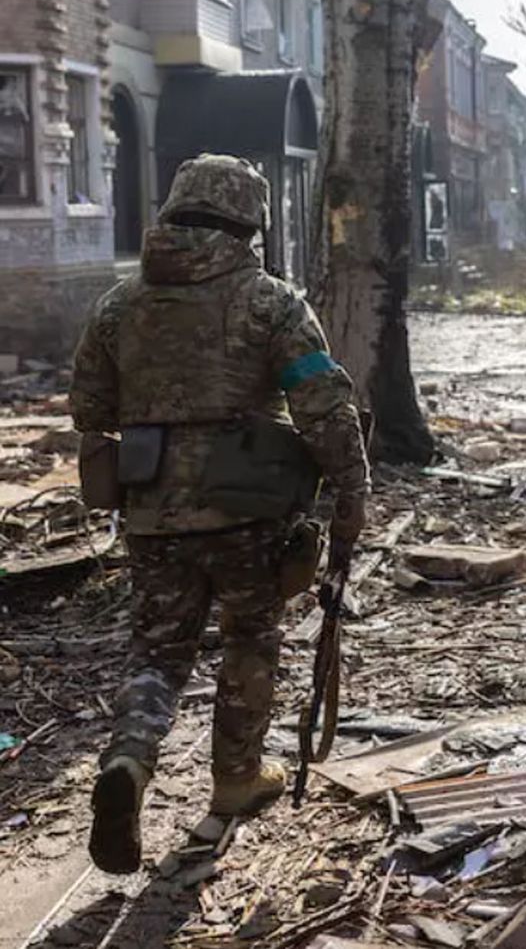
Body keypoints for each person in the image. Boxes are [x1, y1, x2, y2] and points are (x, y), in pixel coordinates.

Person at [70, 154, 369, 874]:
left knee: (159, 652)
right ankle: (235, 778)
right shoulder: (271, 303)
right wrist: (352, 492)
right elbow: (322, 405)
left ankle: (129, 760)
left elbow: (89, 410)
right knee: (248, 640)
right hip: (249, 510)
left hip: (151, 512)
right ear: (250, 220)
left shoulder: (118, 305)